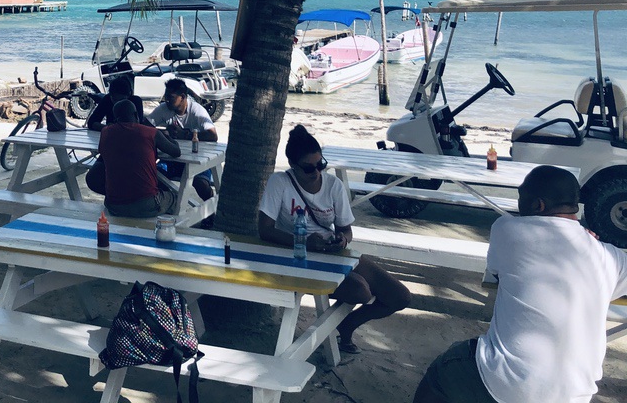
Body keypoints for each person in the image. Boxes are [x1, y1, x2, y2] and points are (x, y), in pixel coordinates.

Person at [413, 165, 627, 403]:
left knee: (443, 369)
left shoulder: (508, 230)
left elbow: (495, 272)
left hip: (505, 383)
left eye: (521, 197)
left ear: (538, 205)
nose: (518, 204)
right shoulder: (609, 258)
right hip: (576, 395)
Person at [259, 124, 411, 354]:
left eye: (320, 165)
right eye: (309, 168)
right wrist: (303, 242)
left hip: (331, 250)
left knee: (400, 296)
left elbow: (346, 230)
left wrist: (343, 239)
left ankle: (348, 323)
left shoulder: (333, 185)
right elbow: (265, 230)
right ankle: (341, 327)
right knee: (360, 291)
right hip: (296, 253)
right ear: (292, 165)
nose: (316, 172)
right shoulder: (280, 182)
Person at [97, 98, 181, 218]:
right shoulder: (150, 133)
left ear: (116, 118)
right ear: (136, 115)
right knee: (176, 197)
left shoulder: (105, 132)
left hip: (114, 205)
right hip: (146, 203)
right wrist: (169, 137)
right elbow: (176, 151)